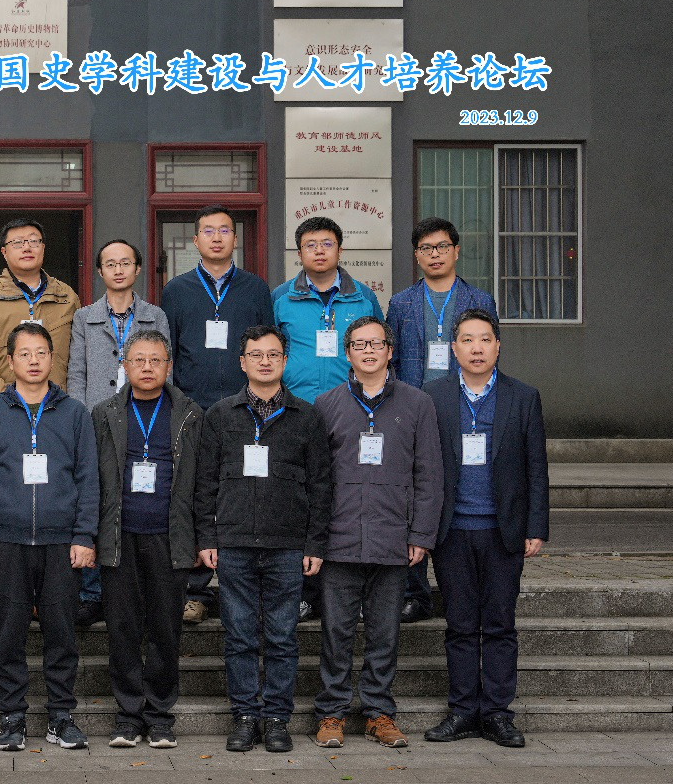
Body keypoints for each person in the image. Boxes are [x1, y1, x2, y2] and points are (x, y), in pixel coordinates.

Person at [195, 326, 332, 753]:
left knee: (281, 637)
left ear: (285, 361)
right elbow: (205, 483)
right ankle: (244, 716)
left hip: (287, 545)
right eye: (256, 354)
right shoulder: (220, 415)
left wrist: (315, 544)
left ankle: (275, 719)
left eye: (273, 354)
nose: (265, 361)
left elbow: (321, 486)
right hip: (233, 543)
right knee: (238, 637)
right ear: (242, 362)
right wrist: (207, 537)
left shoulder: (306, 417)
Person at [0, 322, 99, 752]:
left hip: (62, 543)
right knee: (8, 633)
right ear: (10, 360)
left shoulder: (74, 413)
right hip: (7, 542)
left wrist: (84, 535)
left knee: (62, 633)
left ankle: (61, 715)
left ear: (52, 358)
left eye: (41, 352)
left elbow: (88, 479)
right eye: (24, 353)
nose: (34, 361)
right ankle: (13, 716)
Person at [311, 317, 444, 751]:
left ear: (390, 350)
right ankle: (331, 712)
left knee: (385, 634)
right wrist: (315, 538)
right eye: (359, 344)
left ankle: (378, 713)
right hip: (340, 538)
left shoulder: (418, 403)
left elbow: (429, 475)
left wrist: (421, 533)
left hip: (393, 538)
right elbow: (316, 479)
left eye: (376, 343)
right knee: (336, 632)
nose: (368, 351)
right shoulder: (326, 404)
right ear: (347, 352)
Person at [422, 309, 548, 749]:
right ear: (453, 348)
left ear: (498, 346)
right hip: (452, 530)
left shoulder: (523, 396)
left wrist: (536, 526)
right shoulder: (433, 396)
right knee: (459, 624)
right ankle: (462, 711)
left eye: (485, 339)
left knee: (499, 624)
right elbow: (423, 467)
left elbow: (536, 467)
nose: (476, 348)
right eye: (467, 340)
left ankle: (496, 714)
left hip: (503, 531)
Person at [160, 204, 274, 625]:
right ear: (195, 240)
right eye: (208, 231)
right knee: (195, 493)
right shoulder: (177, 290)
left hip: (245, 409)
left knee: (244, 491)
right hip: (193, 409)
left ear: (235, 239)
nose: (216, 237)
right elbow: (169, 351)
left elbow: (267, 345)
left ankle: (244, 585)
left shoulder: (255, 289)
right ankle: (194, 590)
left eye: (224, 230)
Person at [91, 329, 201, 750]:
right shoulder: (104, 413)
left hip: (170, 536)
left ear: (169, 366)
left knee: (165, 629)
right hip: (119, 535)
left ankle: (159, 716)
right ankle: (127, 715)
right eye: (139, 360)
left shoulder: (189, 413)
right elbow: (92, 479)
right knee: (122, 628)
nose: (148, 367)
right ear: (125, 365)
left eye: (156, 360)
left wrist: (200, 537)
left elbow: (202, 480)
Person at [386, 217, 499, 624]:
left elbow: (490, 356)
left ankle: (461, 588)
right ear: (416, 255)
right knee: (412, 499)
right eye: (426, 248)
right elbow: (392, 361)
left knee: (457, 494)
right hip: (413, 411)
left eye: (442, 247)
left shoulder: (479, 299)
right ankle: (415, 593)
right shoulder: (401, 303)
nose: (434, 254)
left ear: (456, 250)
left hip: (463, 411)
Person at [272, 216, 382, 623]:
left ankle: (350, 590)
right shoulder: (281, 298)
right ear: (299, 252)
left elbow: (379, 350)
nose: (319, 250)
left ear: (340, 248)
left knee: (346, 497)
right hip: (294, 413)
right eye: (310, 244)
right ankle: (302, 592)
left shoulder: (363, 298)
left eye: (327, 243)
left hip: (350, 413)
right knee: (299, 500)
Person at [68, 239, 170, 628]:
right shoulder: (85, 317)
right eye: (110, 263)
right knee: (99, 500)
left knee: (138, 501)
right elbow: (77, 372)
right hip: (98, 422)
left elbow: (167, 366)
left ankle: (139, 590)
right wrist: (81, 420)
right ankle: (93, 592)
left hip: (144, 417)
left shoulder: (155, 315)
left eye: (126, 262)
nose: (118, 269)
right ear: (100, 271)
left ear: (138, 269)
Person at [0, 218, 80, 404]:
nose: (27, 248)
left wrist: (68, 403)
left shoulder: (66, 297)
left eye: (34, 241)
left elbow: (79, 358)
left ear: (43, 247)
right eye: (17, 242)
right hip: (5, 408)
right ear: (4, 252)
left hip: (56, 405)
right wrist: (4, 402)